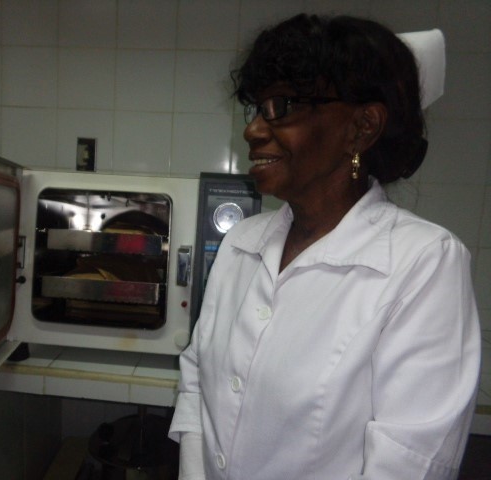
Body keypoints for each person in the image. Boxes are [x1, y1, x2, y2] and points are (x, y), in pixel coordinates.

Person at [169, 13, 481, 480]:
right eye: (256, 108)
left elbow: (409, 463)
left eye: (281, 106)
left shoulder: (424, 263)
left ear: (361, 127)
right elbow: (197, 383)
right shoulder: (242, 242)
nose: (253, 129)